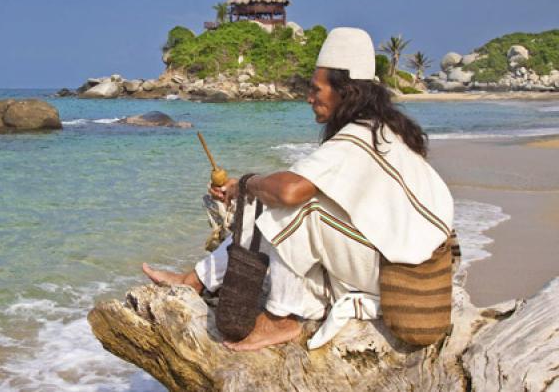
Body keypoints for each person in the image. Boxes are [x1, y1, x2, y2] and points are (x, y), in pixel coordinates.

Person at [143, 27, 454, 352]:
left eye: (316, 90)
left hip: (397, 274)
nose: (309, 98)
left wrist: (249, 183)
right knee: (274, 199)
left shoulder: (356, 139)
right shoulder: (383, 130)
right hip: (406, 261)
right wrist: (247, 189)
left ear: (345, 92)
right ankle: (195, 280)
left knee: (288, 206)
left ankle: (282, 319)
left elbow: (290, 192)